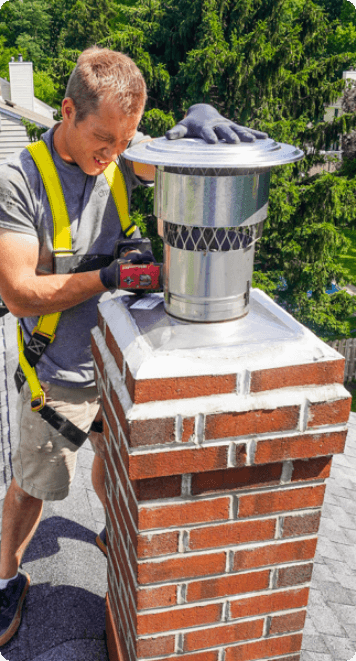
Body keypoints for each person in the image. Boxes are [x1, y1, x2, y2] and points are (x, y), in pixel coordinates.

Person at [0, 45, 267, 647]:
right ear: (66, 110)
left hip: (118, 362)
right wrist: (108, 277)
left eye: (125, 142)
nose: (114, 156)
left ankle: (110, 531)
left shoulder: (117, 152)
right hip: (61, 374)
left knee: (112, 463)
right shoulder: (20, 178)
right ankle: (4, 578)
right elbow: (18, 292)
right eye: (103, 140)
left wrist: (196, 121)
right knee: (35, 484)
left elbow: (177, 162)